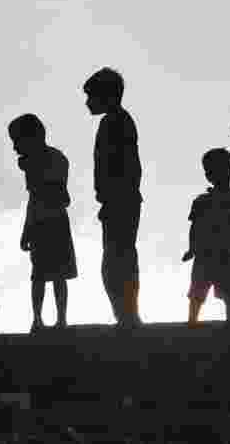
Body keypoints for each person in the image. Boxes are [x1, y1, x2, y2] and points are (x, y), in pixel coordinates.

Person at [83, 68, 143, 328]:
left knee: (117, 259)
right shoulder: (117, 121)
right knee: (120, 257)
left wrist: (113, 197)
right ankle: (126, 314)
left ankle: (127, 314)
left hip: (121, 200)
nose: (87, 102)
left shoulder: (115, 122)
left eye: (91, 96)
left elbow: (126, 166)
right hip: (120, 200)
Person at [9, 113, 77, 333]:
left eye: (17, 141)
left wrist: (29, 226)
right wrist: (27, 228)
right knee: (41, 275)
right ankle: (39, 319)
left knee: (55, 275)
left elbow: (54, 194)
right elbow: (35, 198)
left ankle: (60, 320)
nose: (15, 147)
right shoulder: (43, 161)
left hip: (52, 222)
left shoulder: (52, 160)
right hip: (43, 222)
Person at [182, 148, 230, 326]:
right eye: (210, 170)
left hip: (228, 255)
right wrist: (192, 248)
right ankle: (192, 321)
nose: (214, 174)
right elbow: (195, 228)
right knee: (198, 292)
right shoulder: (201, 201)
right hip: (205, 255)